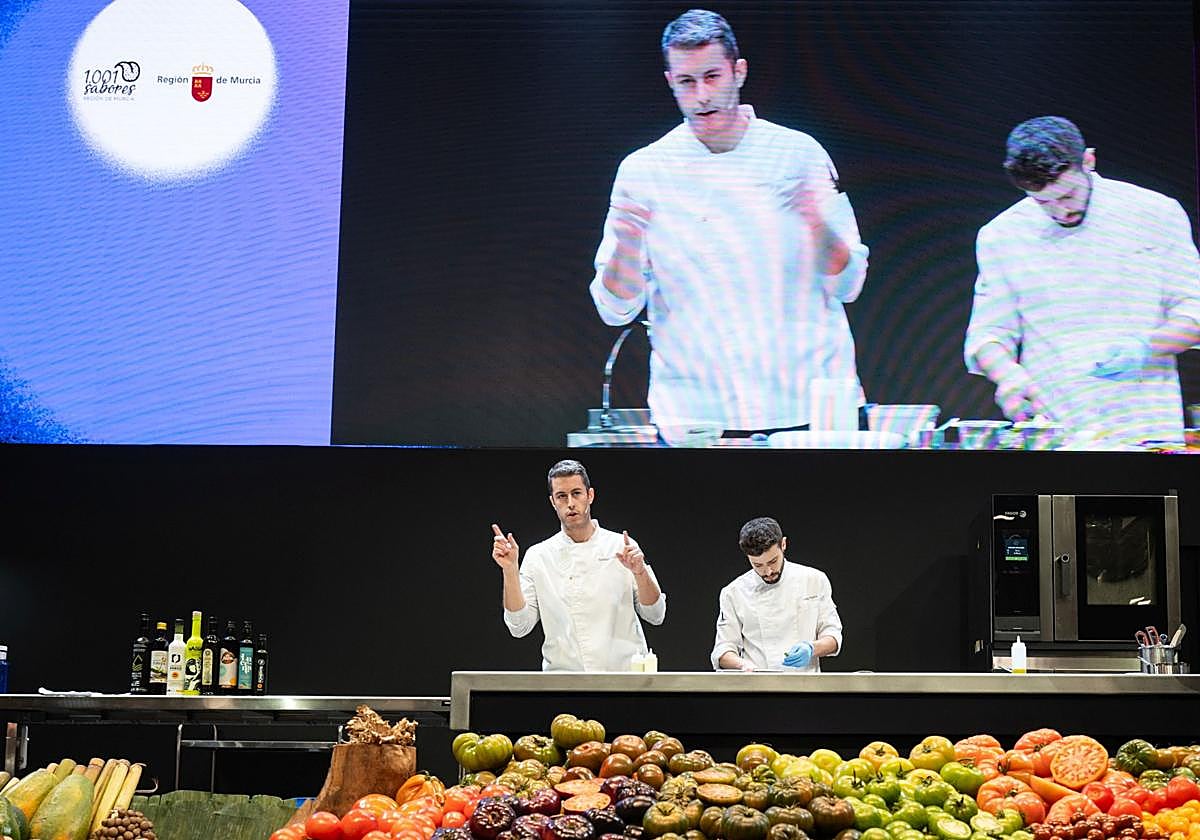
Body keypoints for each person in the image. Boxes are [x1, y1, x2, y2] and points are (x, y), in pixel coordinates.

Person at [589, 9, 870, 443]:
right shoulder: (644, 171)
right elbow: (615, 309)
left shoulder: (797, 154)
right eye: (687, 82)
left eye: (713, 76)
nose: (702, 95)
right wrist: (627, 240)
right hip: (697, 417)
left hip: (808, 407)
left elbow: (849, 284)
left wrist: (814, 221)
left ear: (738, 72)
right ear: (670, 83)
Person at [964, 116, 1200, 447]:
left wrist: (1145, 347)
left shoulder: (1155, 213)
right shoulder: (1002, 234)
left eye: (1068, 195)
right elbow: (989, 334)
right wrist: (1008, 376)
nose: (1060, 212)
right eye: (1043, 202)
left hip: (1145, 419)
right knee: (1052, 500)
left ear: (1088, 161)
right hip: (1055, 424)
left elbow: (1195, 310)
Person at [492, 459, 666, 671]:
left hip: (624, 678)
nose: (570, 503)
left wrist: (640, 573)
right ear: (552, 502)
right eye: (561, 496)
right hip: (565, 681)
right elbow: (519, 626)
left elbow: (656, 614)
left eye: (576, 493)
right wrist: (510, 570)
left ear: (590, 495)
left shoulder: (621, 545)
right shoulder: (538, 556)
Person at [710, 516, 842, 672]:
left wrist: (811, 648)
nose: (768, 571)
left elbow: (832, 636)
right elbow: (723, 650)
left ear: (783, 544)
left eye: (773, 561)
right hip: (757, 686)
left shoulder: (814, 580)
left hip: (806, 686)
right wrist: (742, 664)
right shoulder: (733, 593)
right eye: (758, 565)